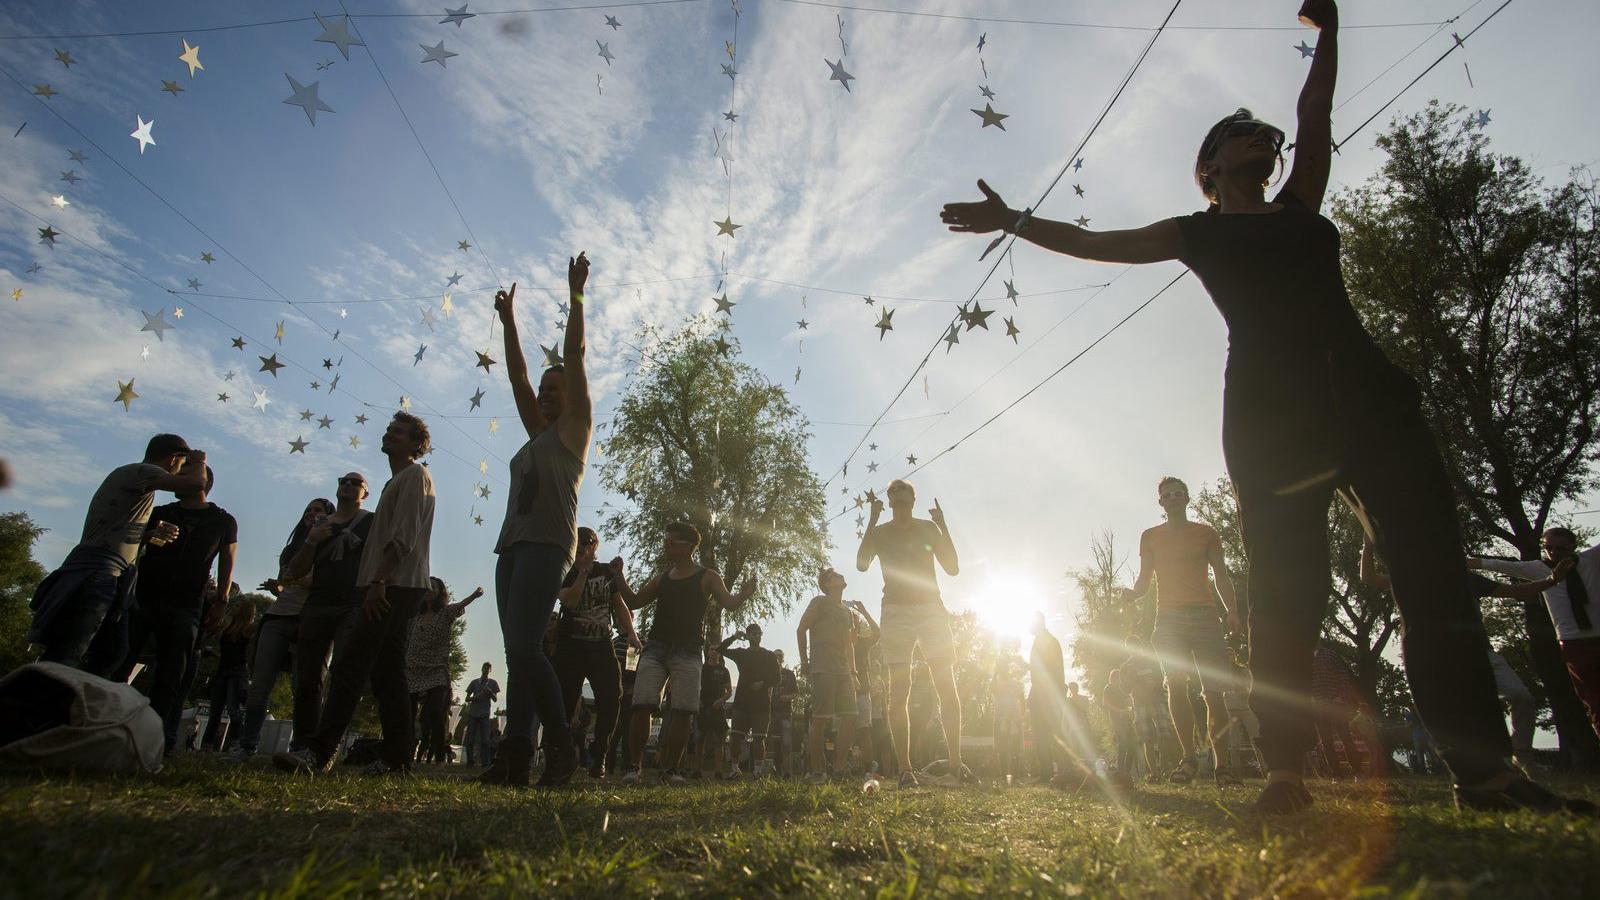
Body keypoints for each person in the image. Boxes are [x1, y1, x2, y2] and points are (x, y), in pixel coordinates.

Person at [939, 0, 1587, 816]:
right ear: (1208, 169)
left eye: (1259, 130)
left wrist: (1333, 33)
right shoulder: (1196, 233)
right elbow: (1096, 241)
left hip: (1373, 403)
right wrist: (1013, 221)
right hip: (1270, 423)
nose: (1259, 137)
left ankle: (1487, 775)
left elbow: (1313, 111)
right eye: (1236, 132)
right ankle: (1284, 771)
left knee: (1432, 585)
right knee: (1289, 592)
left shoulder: (1301, 205)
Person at [485, 253, 595, 789]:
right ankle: (514, 754)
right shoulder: (536, 433)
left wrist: (576, 296)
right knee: (516, 654)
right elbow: (517, 376)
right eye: (545, 390)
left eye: (557, 388)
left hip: (549, 545)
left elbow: (573, 355)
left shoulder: (574, 431)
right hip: (513, 546)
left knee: (526, 648)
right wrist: (508, 323)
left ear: (571, 396)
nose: (547, 393)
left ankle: (561, 746)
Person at [274, 413, 436, 776]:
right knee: (387, 673)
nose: (390, 434)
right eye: (389, 429)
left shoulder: (414, 476)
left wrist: (378, 580)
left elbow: (404, 535)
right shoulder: (397, 481)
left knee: (350, 665)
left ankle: (319, 752)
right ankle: (396, 758)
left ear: (415, 444)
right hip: (388, 584)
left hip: (393, 585)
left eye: (399, 432)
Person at [1364, 537, 1576, 764]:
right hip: (1443, 660)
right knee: (1460, 715)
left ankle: (1521, 755)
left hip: (1482, 653)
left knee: (1521, 697)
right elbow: (1370, 578)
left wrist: (1552, 580)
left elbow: (1519, 591)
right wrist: (1367, 547)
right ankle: (1473, 766)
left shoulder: (1467, 580)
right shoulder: (1414, 581)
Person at [30, 434, 207, 674]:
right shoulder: (142, 471)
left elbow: (115, 530)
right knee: (70, 651)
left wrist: (150, 535)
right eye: (182, 464)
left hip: (110, 574)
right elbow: (196, 485)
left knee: (112, 651)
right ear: (174, 459)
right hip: (100, 574)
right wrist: (199, 462)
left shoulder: (133, 479)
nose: (182, 470)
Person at [1119, 476, 1243, 785]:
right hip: (1169, 619)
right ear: (1160, 503)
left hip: (1205, 617)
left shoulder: (1207, 534)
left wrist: (1234, 612)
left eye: (1178, 493)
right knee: (1175, 685)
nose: (1173, 497)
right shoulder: (1150, 537)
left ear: (1187, 499)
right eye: (1166, 494)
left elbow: (1222, 576)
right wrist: (1133, 595)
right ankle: (1188, 759)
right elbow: (1145, 581)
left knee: (1214, 694)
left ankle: (1222, 765)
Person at [110, 464, 236, 754]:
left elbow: (227, 561)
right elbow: (134, 543)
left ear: (201, 483)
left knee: (171, 674)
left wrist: (221, 601)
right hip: (143, 598)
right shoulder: (162, 512)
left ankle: (157, 738)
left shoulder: (223, 520)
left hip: (187, 603)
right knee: (122, 661)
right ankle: (110, 726)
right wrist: (149, 534)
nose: (176, 480)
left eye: (184, 476)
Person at [620, 522, 756, 785]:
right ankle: (633, 767)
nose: (666, 545)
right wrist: (619, 578)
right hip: (656, 648)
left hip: (689, 651)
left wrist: (745, 594)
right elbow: (635, 601)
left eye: (671, 542)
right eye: (666, 540)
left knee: (682, 710)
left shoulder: (707, 576)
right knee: (642, 706)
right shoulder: (663, 577)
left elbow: (729, 603)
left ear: (687, 546)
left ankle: (670, 769)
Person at [856, 478, 966, 787]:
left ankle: (956, 765)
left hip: (930, 608)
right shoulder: (880, 533)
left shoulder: (927, 529)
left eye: (906, 503)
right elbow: (862, 564)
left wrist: (943, 525)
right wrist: (873, 521)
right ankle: (905, 770)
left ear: (913, 502)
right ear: (890, 503)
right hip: (896, 611)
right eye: (896, 503)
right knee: (899, 690)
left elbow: (953, 567)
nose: (902, 508)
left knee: (946, 684)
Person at [1469, 527, 1600, 743]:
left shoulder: (1590, 559)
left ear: (1572, 546)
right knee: (1594, 701)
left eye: (1560, 548)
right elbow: (1498, 565)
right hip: (1574, 644)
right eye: (1548, 548)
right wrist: (1451, 560)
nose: (1554, 552)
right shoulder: (1539, 569)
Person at [229, 498, 332, 761]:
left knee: (305, 687)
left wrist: (297, 580)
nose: (311, 514)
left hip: (308, 619)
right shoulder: (292, 549)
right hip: (279, 615)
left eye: (318, 511)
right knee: (260, 683)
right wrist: (279, 589)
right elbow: (289, 582)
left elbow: (321, 583)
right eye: (308, 509)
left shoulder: (331, 549)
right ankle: (247, 744)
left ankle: (300, 747)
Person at [278, 473, 372, 758]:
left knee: (343, 673)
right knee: (307, 677)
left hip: (352, 603)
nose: (347, 484)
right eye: (343, 480)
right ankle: (303, 743)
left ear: (365, 493)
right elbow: (294, 571)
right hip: (318, 603)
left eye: (356, 482)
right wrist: (311, 541)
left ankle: (325, 747)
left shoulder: (371, 521)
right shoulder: (320, 526)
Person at [553, 527, 643, 779]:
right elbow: (569, 601)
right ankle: (564, 754)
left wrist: (632, 633)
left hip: (602, 646)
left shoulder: (606, 572)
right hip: (572, 646)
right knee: (566, 702)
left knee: (612, 697)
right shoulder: (566, 572)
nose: (582, 546)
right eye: (578, 542)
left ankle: (600, 754)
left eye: (587, 542)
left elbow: (619, 604)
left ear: (595, 547)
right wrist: (581, 573)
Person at [406, 578, 482, 765]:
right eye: (427, 585)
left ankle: (439, 755)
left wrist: (475, 594)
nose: (430, 589)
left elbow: (461, 605)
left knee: (434, 713)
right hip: (413, 669)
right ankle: (405, 751)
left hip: (436, 670)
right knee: (408, 713)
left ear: (440, 592)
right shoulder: (414, 616)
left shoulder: (445, 613)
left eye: (434, 586)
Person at [798, 568, 859, 783]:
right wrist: (805, 661)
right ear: (826, 584)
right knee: (820, 719)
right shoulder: (819, 602)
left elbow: (848, 645)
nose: (840, 576)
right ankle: (817, 771)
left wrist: (853, 671)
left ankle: (840, 768)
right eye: (834, 576)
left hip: (843, 671)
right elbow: (801, 629)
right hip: (823, 667)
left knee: (850, 716)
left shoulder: (847, 612)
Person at [721, 623, 781, 775]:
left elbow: (777, 678)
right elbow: (721, 650)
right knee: (735, 736)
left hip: (761, 704)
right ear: (747, 636)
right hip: (741, 703)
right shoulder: (741, 653)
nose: (757, 636)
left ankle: (757, 771)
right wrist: (734, 637)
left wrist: (763, 684)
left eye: (759, 633)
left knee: (759, 738)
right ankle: (735, 769)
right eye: (753, 634)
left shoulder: (769, 655)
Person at [200, 600, 255, 750]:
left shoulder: (247, 629)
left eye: (238, 606)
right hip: (222, 670)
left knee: (233, 709)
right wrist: (213, 654)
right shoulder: (227, 627)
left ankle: (237, 742)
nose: (234, 607)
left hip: (237, 673)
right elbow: (226, 654)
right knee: (215, 712)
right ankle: (207, 745)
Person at [1121, 636, 1169, 779]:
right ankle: (1154, 773)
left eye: (1135, 645)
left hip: (1157, 700)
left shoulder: (1152, 660)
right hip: (1140, 704)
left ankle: (1166, 769)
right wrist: (1132, 679)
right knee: (1147, 739)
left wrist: (1156, 683)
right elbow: (1124, 688)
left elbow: (1164, 678)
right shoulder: (1126, 666)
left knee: (1164, 735)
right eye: (1129, 646)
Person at [850, 599, 883, 773]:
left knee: (864, 731)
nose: (853, 623)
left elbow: (877, 633)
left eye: (854, 620)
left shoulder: (863, 642)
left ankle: (868, 770)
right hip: (842, 693)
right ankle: (842, 768)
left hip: (862, 692)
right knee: (842, 732)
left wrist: (863, 611)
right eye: (850, 620)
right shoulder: (839, 642)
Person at [697, 645, 733, 778]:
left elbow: (729, 691)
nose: (713, 652)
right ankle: (697, 770)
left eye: (716, 650)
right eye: (711, 649)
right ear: (707, 652)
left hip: (718, 708)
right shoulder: (701, 668)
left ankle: (718, 771)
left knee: (719, 740)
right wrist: (698, 701)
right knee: (700, 739)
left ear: (719, 653)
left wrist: (721, 700)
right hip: (702, 707)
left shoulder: (724, 670)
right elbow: (695, 685)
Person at [993, 659, 1027, 784]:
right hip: (999, 717)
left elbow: (1022, 697)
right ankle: (1003, 776)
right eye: (1001, 669)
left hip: (1014, 718)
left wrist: (1022, 715)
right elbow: (992, 690)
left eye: (1005, 669)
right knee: (1001, 748)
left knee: (1015, 748)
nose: (1004, 671)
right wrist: (995, 673)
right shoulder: (996, 682)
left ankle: (1016, 776)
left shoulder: (1014, 683)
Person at [1101, 669, 1137, 779]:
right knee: (1123, 744)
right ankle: (1120, 770)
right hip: (1116, 719)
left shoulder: (1122, 689)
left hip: (1127, 719)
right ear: (1113, 677)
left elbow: (1128, 700)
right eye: (1117, 676)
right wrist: (1120, 711)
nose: (1119, 679)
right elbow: (1106, 703)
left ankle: (1126, 771)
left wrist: (1130, 706)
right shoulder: (1108, 688)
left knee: (1132, 745)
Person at [464, 663, 500, 766]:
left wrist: (490, 692)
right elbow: (467, 698)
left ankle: (485, 762)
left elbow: (495, 699)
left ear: (490, 670)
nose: (486, 669)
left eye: (488, 668)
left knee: (485, 740)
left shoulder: (493, 683)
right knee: (470, 739)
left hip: (484, 714)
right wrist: (475, 698)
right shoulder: (474, 682)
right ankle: (470, 761)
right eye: (484, 667)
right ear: (481, 668)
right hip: (473, 714)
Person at [771, 651, 798, 776]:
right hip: (772, 714)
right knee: (775, 744)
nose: (777, 658)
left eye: (780, 656)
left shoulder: (789, 674)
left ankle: (788, 772)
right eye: (775, 656)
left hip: (786, 714)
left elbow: (796, 694)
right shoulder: (768, 674)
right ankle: (777, 771)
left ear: (782, 659)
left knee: (787, 744)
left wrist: (788, 697)